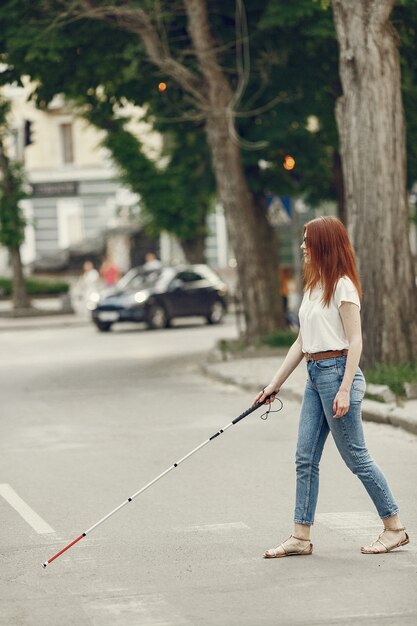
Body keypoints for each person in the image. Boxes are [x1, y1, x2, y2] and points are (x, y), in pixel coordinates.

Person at [255, 216, 409, 558]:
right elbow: (301, 341)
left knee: (356, 457)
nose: (302, 246)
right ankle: (300, 536)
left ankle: (394, 527)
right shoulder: (314, 286)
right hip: (314, 374)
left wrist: (343, 388)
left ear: (324, 243)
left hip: (338, 372)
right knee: (304, 457)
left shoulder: (343, 286)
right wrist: (274, 385)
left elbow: (355, 341)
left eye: (307, 240)